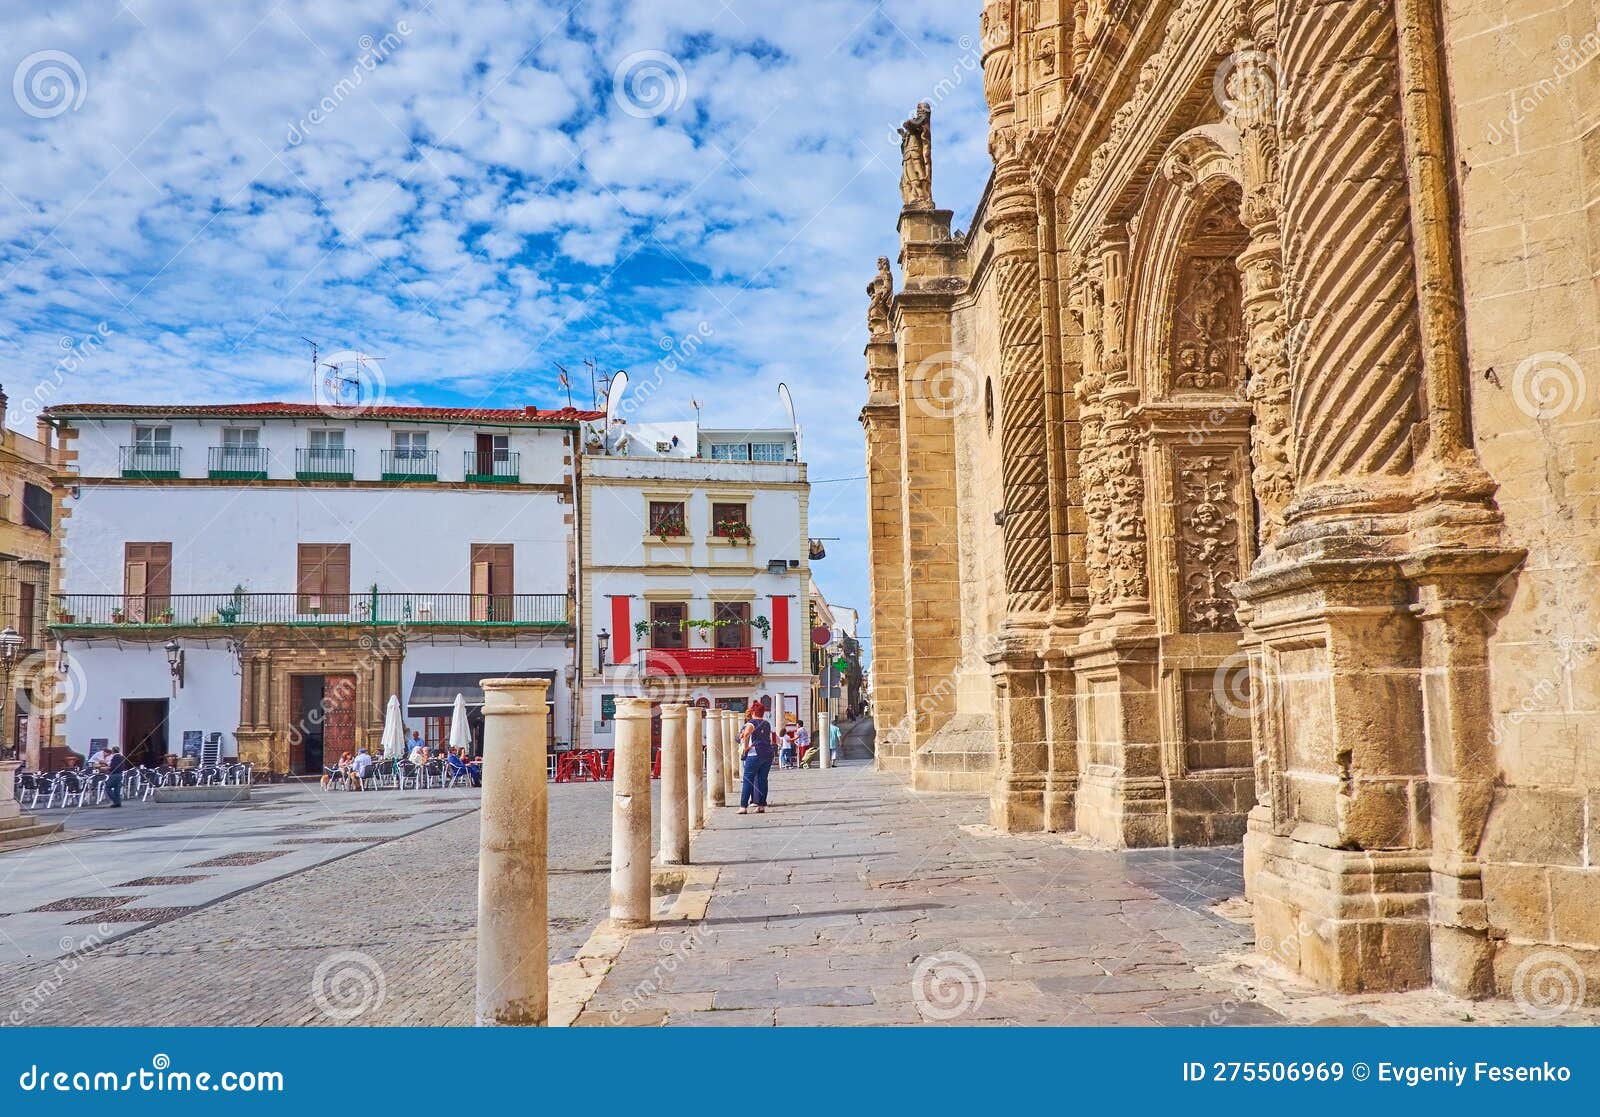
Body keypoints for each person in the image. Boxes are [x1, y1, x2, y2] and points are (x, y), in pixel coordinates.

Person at [736, 701, 775, 815]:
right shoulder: (767, 723)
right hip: (767, 754)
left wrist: (746, 747)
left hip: (754, 754)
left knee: (748, 779)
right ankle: (761, 805)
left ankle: (743, 806)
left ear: (753, 711)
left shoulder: (751, 723)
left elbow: (747, 734)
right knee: (763, 780)